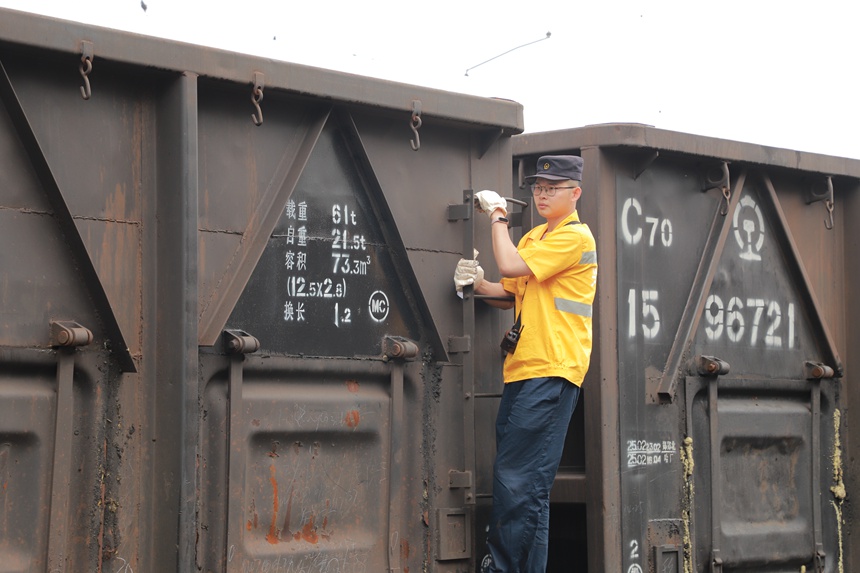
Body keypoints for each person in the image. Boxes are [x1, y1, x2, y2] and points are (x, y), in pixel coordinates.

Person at [453, 155, 597, 573]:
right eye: (538, 187)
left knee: (517, 479)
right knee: (527, 485)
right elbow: (511, 289)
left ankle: (499, 568)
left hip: (552, 371)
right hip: (524, 370)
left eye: (552, 188)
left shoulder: (576, 238)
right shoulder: (536, 237)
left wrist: (499, 217)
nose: (542, 194)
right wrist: (477, 283)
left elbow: (512, 264)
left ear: (576, 193)